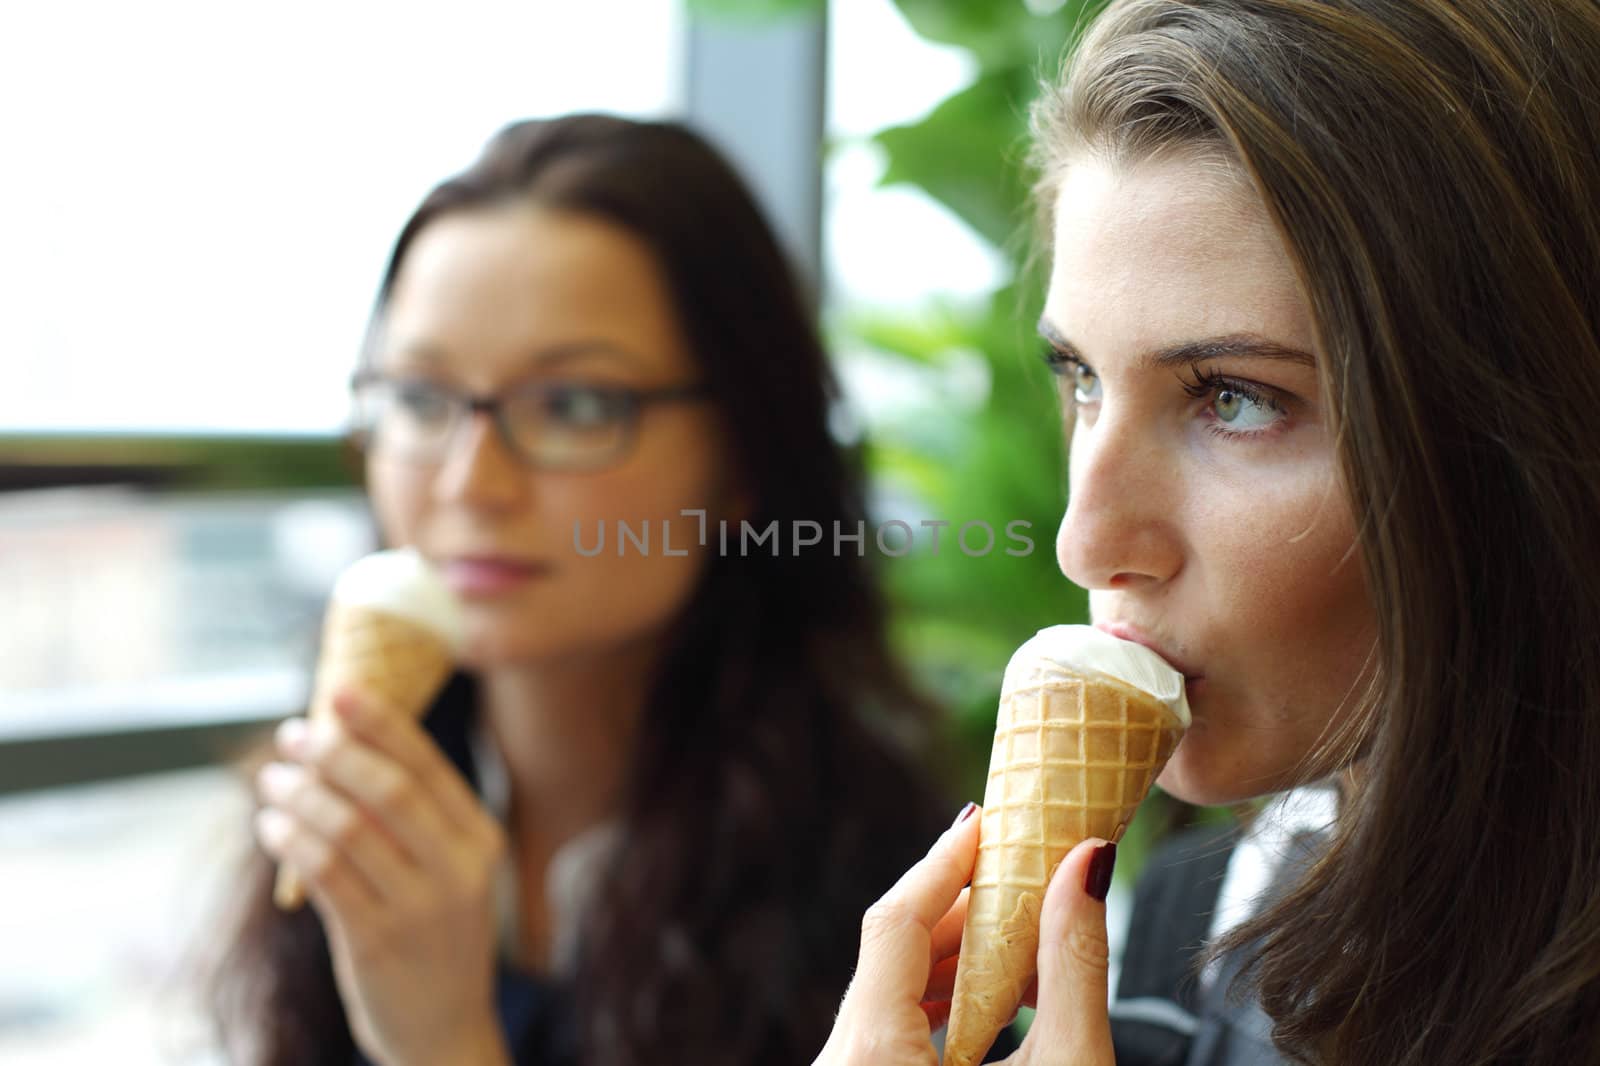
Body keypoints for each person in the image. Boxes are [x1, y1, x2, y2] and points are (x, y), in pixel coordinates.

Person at [817, 0, 1600, 1063]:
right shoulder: (1188, 933)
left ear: (1525, 431)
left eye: (1234, 398)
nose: (1085, 543)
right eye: (1082, 377)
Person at [203, 114, 954, 1066]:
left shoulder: (893, 893)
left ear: (741, 459)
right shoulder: (334, 805)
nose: (470, 482)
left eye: (573, 405)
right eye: (423, 400)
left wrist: (440, 1041)